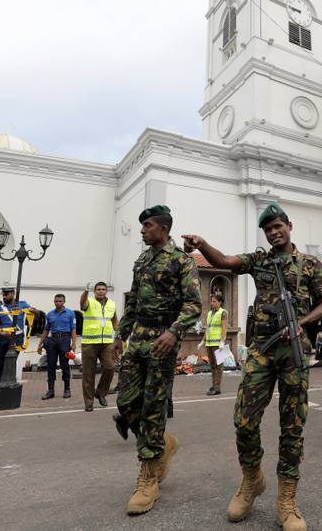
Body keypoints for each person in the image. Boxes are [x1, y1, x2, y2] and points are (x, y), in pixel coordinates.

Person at [183, 202, 322, 531]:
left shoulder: (310, 266)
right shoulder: (260, 260)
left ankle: (287, 498)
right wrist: (202, 243)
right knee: (244, 419)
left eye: (278, 226)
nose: (274, 232)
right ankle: (252, 480)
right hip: (262, 351)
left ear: (289, 226)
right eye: (268, 229)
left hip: (293, 351)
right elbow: (223, 262)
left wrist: (302, 322)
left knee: (292, 426)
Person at [113, 205, 202, 516]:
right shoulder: (142, 260)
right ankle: (163, 443)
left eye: (147, 225)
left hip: (162, 342)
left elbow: (193, 305)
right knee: (126, 404)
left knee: (152, 407)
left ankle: (149, 477)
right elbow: (133, 301)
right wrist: (120, 335)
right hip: (137, 338)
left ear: (163, 229)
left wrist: (174, 332)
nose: (142, 230)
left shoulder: (182, 261)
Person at [79, 281, 117, 411]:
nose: (101, 291)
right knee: (88, 373)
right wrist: (85, 291)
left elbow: (114, 320)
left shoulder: (112, 304)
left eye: (103, 289)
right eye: (98, 289)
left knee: (111, 367)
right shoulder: (89, 301)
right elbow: (82, 303)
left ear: (106, 291)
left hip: (107, 342)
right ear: (95, 291)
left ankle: (100, 393)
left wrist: (120, 338)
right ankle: (88, 403)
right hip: (90, 343)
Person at [37, 294, 77, 400]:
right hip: (52, 341)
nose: (58, 303)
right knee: (51, 366)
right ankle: (50, 391)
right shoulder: (50, 314)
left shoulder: (70, 313)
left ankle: (67, 389)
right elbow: (46, 330)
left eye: (60, 301)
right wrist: (40, 344)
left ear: (64, 301)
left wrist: (74, 343)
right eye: (56, 301)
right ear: (54, 301)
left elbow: (73, 329)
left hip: (65, 340)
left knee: (64, 365)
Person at [0, 286, 33, 383]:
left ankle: (11, 378)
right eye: (3, 294)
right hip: (3, 337)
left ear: (13, 294)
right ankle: (1, 379)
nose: (4, 296)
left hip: (17, 336)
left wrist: (33, 311)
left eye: (6, 294)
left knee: (13, 359)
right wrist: (2, 332)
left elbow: (34, 313)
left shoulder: (22, 304)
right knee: (2, 358)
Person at [203, 293, 227, 395]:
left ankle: (217, 388)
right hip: (209, 343)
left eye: (214, 301)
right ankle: (214, 385)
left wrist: (222, 341)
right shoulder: (209, 313)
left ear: (220, 302)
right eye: (211, 301)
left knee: (218, 366)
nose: (212, 303)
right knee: (212, 366)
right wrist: (203, 340)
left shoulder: (223, 313)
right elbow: (208, 328)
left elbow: (224, 328)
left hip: (218, 344)